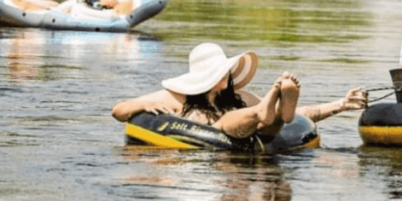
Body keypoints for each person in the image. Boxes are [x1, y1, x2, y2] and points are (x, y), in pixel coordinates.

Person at [111, 43, 367, 139]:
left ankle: (273, 109)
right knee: (229, 122)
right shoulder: (176, 97)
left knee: (277, 118)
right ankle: (262, 111)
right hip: (220, 140)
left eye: (226, 71)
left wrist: (340, 104)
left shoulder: (239, 96)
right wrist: (142, 107)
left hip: (258, 137)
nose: (226, 76)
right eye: (218, 73)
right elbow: (119, 110)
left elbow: (298, 116)